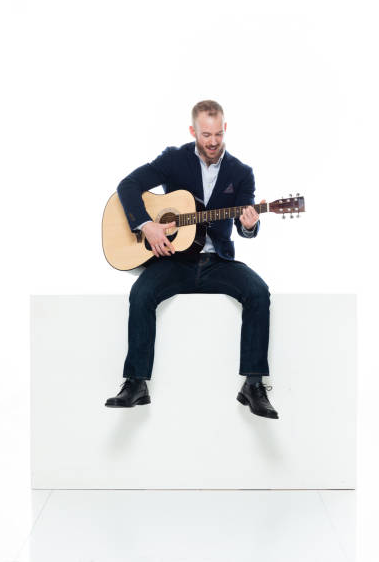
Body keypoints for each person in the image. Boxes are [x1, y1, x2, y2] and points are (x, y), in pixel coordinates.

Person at [105, 100, 279, 419]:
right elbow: (127, 186)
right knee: (141, 294)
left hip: (218, 262)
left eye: (217, 134)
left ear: (225, 129)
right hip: (175, 261)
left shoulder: (240, 173)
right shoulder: (174, 159)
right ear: (193, 131)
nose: (212, 141)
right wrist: (148, 225)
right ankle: (135, 383)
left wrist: (249, 224)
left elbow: (244, 225)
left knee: (258, 292)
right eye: (205, 134)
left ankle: (253, 384)